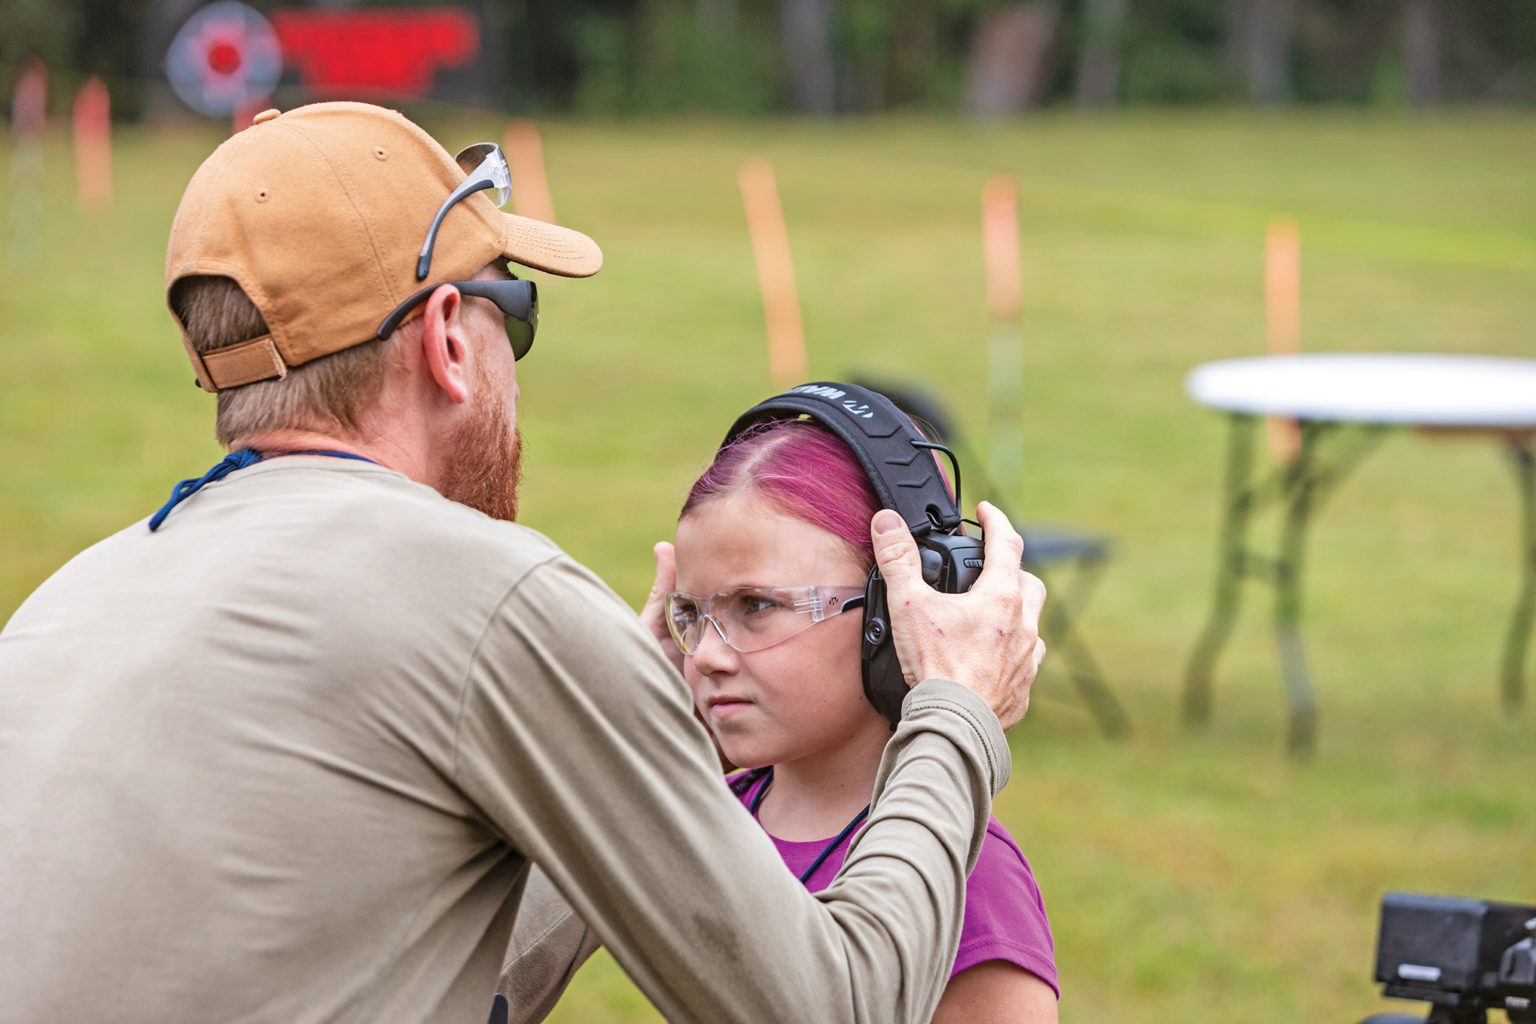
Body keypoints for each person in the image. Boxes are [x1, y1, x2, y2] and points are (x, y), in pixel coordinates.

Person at [0, 101, 1046, 1024]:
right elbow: (837, 1009)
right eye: (519, 314)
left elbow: (413, 967)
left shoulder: (60, 606)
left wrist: (627, 767)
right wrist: (952, 708)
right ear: (449, 338)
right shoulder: (491, 594)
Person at [659, 411, 1059, 1023]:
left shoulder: (970, 882)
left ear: (894, 614)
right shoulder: (703, 820)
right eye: (690, 612)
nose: (708, 655)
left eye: (756, 606)